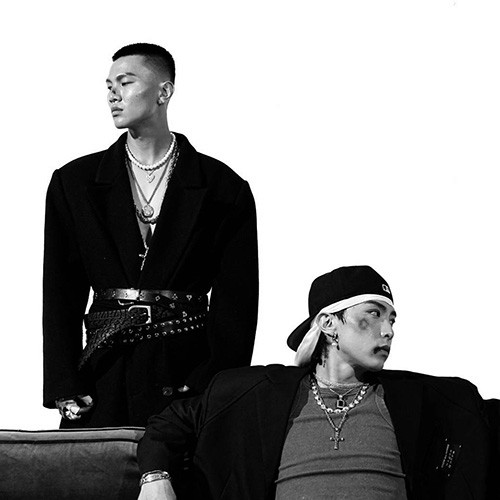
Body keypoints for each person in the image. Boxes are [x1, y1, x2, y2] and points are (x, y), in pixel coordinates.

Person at [136, 265, 493, 499]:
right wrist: (155, 479)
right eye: (373, 314)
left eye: (392, 320)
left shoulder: (433, 398)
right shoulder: (254, 392)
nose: (388, 331)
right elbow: (168, 424)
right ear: (328, 323)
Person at [43, 43, 259, 427]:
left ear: (164, 91)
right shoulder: (74, 183)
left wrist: (212, 384)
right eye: (109, 85)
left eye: (125, 82)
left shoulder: (223, 188)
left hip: (185, 379)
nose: (113, 94)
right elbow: (61, 291)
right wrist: (64, 382)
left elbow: (237, 304)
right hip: (101, 375)